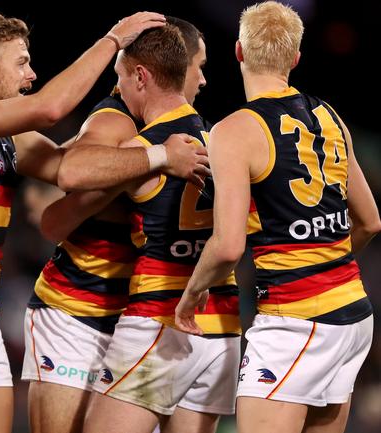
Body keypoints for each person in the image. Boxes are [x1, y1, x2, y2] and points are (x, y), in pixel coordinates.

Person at [0, 11, 210, 433]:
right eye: (21, 62)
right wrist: (112, 41)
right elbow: (49, 109)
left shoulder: (2, 134)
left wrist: (132, 150)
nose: (31, 72)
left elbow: (68, 166)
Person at [175, 2, 380, 433]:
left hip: (296, 319)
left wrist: (192, 294)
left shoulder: (234, 130)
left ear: (238, 52)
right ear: (295, 59)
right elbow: (369, 222)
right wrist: (326, 261)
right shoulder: (331, 117)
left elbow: (228, 246)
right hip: (353, 314)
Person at [22, 17, 219, 433]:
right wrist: (154, 159)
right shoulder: (119, 119)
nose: (201, 79)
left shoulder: (191, 135)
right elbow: (64, 191)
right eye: (197, 65)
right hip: (78, 308)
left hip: (141, 317)